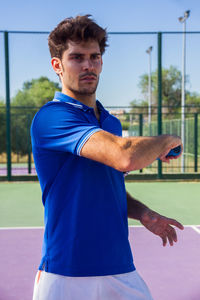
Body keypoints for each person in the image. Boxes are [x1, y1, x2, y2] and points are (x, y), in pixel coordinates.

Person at [31, 15, 184, 300]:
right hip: (66, 273)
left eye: (95, 56)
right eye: (77, 57)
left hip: (120, 267)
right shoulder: (51, 117)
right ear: (58, 66)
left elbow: (107, 185)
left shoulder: (110, 123)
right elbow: (123, 157)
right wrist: (166, 140)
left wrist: (143, 213)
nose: (88, 65)